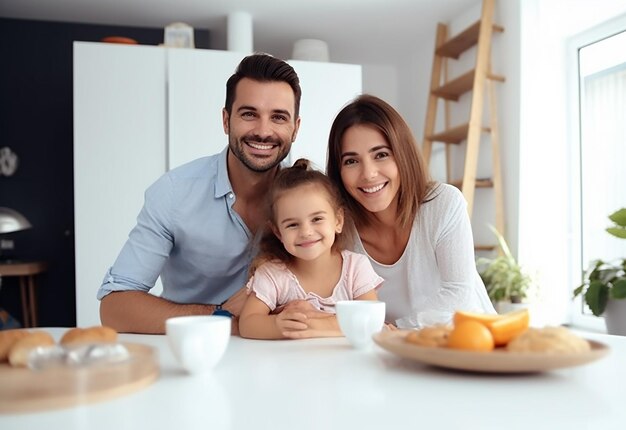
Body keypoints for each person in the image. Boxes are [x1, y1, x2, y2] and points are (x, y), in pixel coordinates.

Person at [98, 53, 302, 334]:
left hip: (284, 354)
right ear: (226, 120)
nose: (263, 131)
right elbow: (115, 307)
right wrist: (222, 317)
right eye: (249, 114)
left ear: (295, 129)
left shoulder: (312, 196)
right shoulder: (174, 193)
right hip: (193, 352)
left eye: (278, 117)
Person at [325, 94, 496, 329]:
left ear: (402, 154)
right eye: (351, 161)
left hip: (468, 343)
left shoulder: (443, 203)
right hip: (390, 352)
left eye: (381, 155)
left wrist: (394, 329)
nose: (368, 173)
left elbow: (459, 295)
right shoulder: (338, 229)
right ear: (339, 172)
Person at [239, 159, 383, 340]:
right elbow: (247, 324)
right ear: (278, 233)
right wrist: (277, 325)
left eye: (316, 219)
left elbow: (370, 320)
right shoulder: (272, 274)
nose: (306, 232)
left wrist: (316, 324)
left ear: (338, 221)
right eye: (292, 224)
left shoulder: (355, 267)